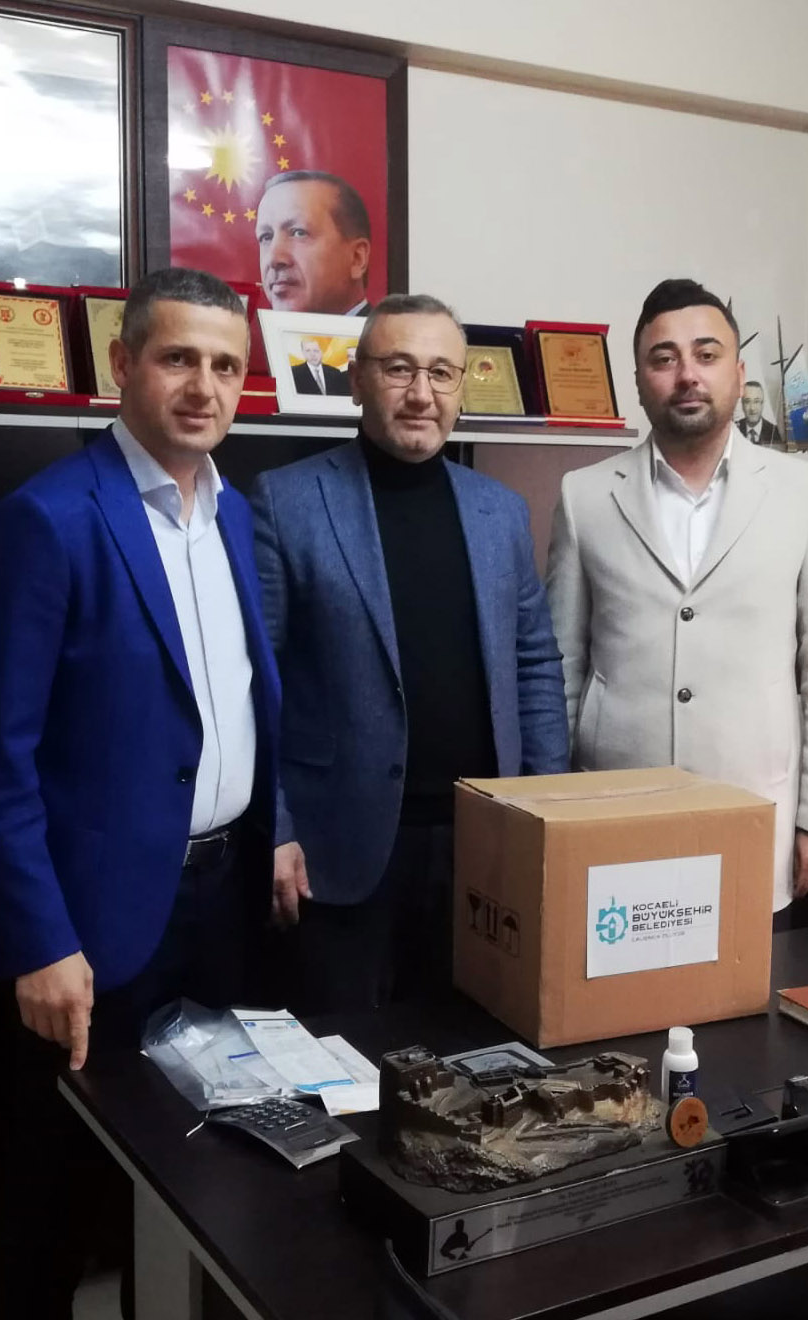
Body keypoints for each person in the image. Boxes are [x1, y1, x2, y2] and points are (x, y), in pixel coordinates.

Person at [0, 266, 281, 1318]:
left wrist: (274, 833)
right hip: (92, 927)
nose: (204, 386)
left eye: (225, 365)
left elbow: (235, 702)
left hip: (223, 904)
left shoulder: (234, 516)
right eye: (178, 358)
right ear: (122, 364)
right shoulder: (48, 520)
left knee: (202, 1176)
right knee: (51, 1193)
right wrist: (40, 941)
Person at [250, 293, 568, 1012]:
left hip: (483, 844)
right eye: (398, 369)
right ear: (356, 380)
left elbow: (534, 666)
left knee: (475, 1048)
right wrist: (275, 828)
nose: (421, 393)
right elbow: (255, 684)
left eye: (441, 373)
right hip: (338, 847)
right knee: (344, 1055)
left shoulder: (499, 510)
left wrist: (548, 809)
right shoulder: (287, 500)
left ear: (461, 386)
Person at [545, 278, 808, 926]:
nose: (687, 373)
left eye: (706, 354)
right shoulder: (583, 496)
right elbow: (562, 668)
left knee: (748, 984)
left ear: (738, 373)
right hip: (613, 807)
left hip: (754, 811)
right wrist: (553, 806)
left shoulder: (804, 495)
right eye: (663, 358)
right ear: (639, 380)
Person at [255, 169, 372, 315]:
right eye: (266, 237)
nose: (274, 259)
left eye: (299, 233)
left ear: (357, 258)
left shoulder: (385, 331)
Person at [738, 379, 783, 447]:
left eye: (756, 401)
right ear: (742, 404)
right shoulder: (734, 429)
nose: (752, 408)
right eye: (747, 401)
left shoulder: (774, 432)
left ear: (762, 404)